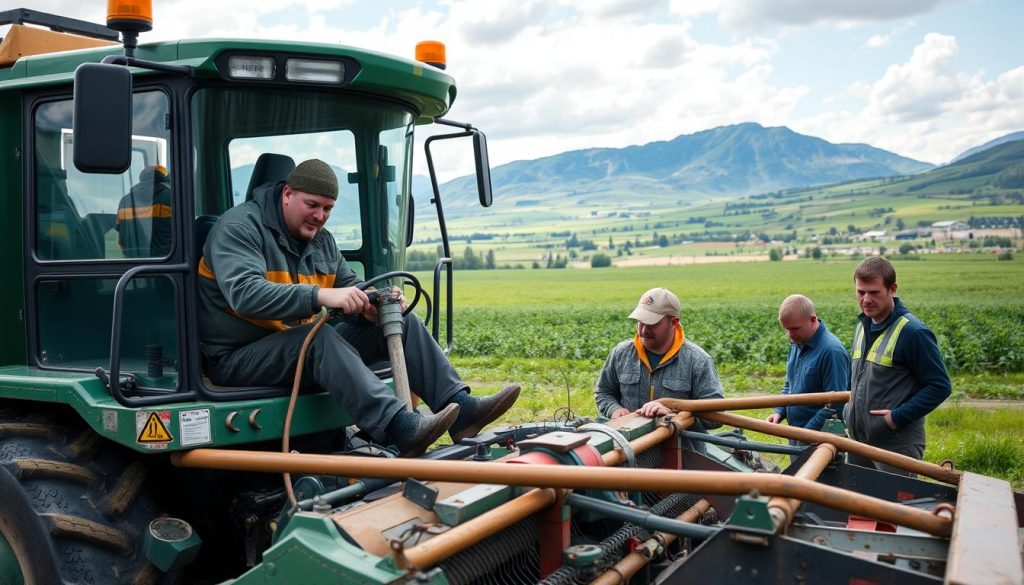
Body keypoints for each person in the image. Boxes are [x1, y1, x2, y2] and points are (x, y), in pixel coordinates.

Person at [197, 159, 519, 457]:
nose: (319, 216)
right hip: (238, 357)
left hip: (293, 348)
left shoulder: (321, 240)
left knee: (399, 320)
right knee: (319, 340)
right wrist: (321, 296)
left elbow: (351, 285)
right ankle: (399, 427)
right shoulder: (239, 228)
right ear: (287, 194)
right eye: (312, 205)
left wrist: (377, 302)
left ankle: (461, 410)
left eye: (327, 209)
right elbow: (245, 294)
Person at [842, 256, 951, 475]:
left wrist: (896, 418)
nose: (866, 300)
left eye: (874, 292)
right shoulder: (863, 325)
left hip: (895, 444)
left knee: (894, 507)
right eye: (861, 292)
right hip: (858, 440)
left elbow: (940, 386)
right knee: (856, 505)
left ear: (892, 289)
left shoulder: (913, 332)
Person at [594, 287, 724, 426]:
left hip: (680, 445)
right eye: (640, 322)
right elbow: (603, 392)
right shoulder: (621, 354)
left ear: (673, 322)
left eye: (651, 323)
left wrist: (672, 415)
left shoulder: (698, 361)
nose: (643, 330)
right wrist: (615, 410)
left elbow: (716, 416)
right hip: (629, 444)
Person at [766, 294, 849, 432]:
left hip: (821, 438)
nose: (790, 335)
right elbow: (790, 385)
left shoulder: (832, 351)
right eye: (787, 329)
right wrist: (779, 412)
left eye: (795, 328)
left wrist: (807, 433)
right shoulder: (797, 341)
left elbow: (836, 404)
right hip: (799, 434)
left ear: (812, 319)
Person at [116, 164, 172, 257]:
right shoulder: (170, 197)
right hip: (165, 263)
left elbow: (121, 241)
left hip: (132, 265)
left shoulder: (124, 201)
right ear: (163, 177)